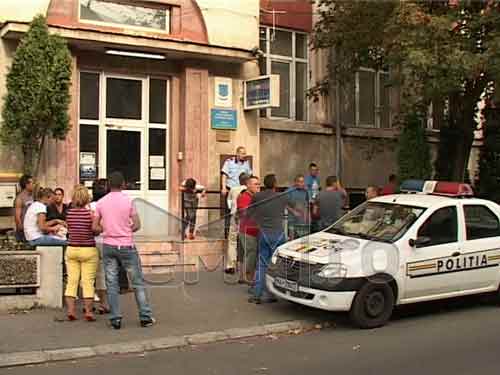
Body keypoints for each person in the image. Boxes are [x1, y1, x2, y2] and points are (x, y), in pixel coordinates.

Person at [92, 171, 155, 330]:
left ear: (108, 185)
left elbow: (94, 227)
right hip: (126, 244)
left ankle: (115, 319)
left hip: (109, 245)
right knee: (137, 282)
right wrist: (126, 230)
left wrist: (106, 229)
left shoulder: (101, 202)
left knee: (111, 283)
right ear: (123, 184)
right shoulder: (129, 201)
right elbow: (137, 224)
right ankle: (145, 317)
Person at [249, 174, 289, 304]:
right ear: (275, 184)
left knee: (262, 264)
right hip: (279, 234)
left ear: (263, 185)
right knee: (275, 266)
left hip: (264, 234)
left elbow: (249, 214)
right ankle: (273, 294)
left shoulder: (257, 197)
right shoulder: (281, 197)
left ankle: (257, 295)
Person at [64, 185, 99, 322]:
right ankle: (89, 311)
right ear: (86, 199)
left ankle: (71, 310)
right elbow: (95, 230)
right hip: (88, 249)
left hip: (72, 249)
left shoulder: (69, 214)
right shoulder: (90, 215)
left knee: (72, 281)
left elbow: (70, 229)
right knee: (88, 282)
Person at [90, 179, 110, 314]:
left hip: (91, 242)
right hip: (105, 241)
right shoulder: (107, 206)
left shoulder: (89, 206)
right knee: (103, 273)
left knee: (89, 273)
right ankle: (104, 303)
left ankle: (89, 303)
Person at [237, 175, 260, 284]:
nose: (258, 186)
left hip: (253, 230)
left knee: (245, 254)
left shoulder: (255, 197)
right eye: (255, 184)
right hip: (247, 231)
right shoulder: (244, 197)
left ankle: (243, 277)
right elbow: (244, 212)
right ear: (248, 185)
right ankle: (248, 277)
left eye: (258, 184)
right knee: (251, 253)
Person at [225, 173, 249, 274]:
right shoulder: (250, 190)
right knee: (247, 241)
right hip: (246, 218)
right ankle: (247, 265)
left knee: (232, 241)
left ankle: (231, 265)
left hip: (234, 216)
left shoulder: (233, 189)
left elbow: (229, 202)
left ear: (239, 180)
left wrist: (232, 209)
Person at [286, 175, 310, 240]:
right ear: (295, 182)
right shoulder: (289, 191)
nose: (301, 184)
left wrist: (307, 217)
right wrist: (293, 211)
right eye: (299, 182)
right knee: (292, 241)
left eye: (303, 182)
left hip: (302, 221)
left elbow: (307, 205)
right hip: (292, 220)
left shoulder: (305, 191)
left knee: (303, 241)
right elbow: (284, 204)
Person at [14, 174, 34, 242]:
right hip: (23, 231)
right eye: (32, 183)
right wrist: (21, 229)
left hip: (31, 229)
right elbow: (17, 217)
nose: (33, 185)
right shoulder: (19, 198)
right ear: (26, 185)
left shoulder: (31, 197)